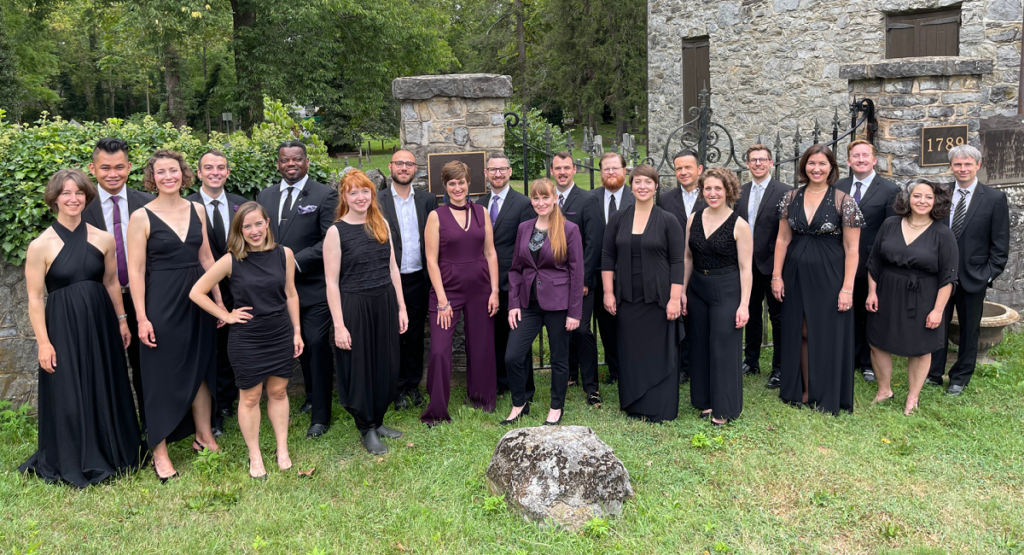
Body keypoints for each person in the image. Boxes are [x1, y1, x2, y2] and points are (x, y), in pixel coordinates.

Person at [19, 169, 144, 487]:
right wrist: (43, 343)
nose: (73, 199)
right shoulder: (40, 245)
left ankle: (114, 450)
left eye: (78, 193)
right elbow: (35, 298)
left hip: (101, 322)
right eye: (66, 193)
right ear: (55, 198)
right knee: (69, 388)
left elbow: (112, 282)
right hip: (62, 325)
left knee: (107, 381)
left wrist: (122, 320)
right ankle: (75, 457)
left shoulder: (103, 239)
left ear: (87, 197)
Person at [126, 150, 223, 481]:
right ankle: (159, 449)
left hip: (198, 300)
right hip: (162, 301)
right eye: (161, 171)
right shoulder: (141, 216)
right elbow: (136, 272)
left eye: (174, 170)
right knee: (160, 373)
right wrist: (141, 317)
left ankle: (203, 435)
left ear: (184, 174)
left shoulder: (197, 209)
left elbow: (208, 258)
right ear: (152, 177)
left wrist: (219, 302)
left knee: (200, 366)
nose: (169, 176)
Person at [189, 202, 302, 478]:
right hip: (248, 338)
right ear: (239, 230)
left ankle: (282, 449)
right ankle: (255, 455)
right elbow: (197, 291)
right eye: (246, 226)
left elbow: (291, 294)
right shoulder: (230, 260)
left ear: (267, 223)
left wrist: (297, 331)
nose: (254, 231)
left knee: (278, 392)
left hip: (279, 332)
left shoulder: (284, 254)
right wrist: (226, 315)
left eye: (258, 224)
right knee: (250, 397)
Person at [771, 145, 863, 415]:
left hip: (830, 276)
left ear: (832, 168)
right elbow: (782, 239)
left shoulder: (843, 200)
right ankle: (801, 389)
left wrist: (847, 289)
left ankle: (825, 390)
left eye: (822, 164)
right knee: (799, 330)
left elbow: (852, 249)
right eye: (811, 163)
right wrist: (776, 276)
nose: (816, 169)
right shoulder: (790, 197)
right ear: (804, 167)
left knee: (824, 332)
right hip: (795, 273)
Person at [256, 141, 338, 439]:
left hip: (311, 287)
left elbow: (329, 239)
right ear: (278, 164)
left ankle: (321, 415)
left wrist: (291, 262)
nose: (291, 164)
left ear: (306, 162)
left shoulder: (324, 195)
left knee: (316, 343)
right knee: (298, 345)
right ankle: (311, 395)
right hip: (275, 290)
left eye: (297, 159)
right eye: (284, 160)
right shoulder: (265, 195)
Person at [325, 170, 409, 452]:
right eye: (353, 192)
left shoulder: (381, 222)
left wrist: (401, 307)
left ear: (372, 194)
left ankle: (379, 418)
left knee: (386, 363)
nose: (360, 197)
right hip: (355, 306)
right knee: (359, 367)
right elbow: (331, 283)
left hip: (384, 301)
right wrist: (339, 325)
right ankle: (366, 427)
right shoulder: (336, 232)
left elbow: (393, 268)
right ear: (344, 197)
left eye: (365, 191)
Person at [865, 179, 958, 415]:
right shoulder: (890, 224)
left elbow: (949, 277)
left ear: (936, 201)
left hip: (923, 296)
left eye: (928, 197)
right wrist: (872, 292)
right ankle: (884, 390)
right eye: (917, 196)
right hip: (886, 291)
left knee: (920, 347)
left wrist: (938, 310)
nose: (922, 201)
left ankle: (913, 398)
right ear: (908, 199)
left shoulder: (943, 233)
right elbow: (874, 262)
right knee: (877, 342)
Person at [602, 164, 685, 423]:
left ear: (656, 186)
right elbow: (607, 257)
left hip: (659, 299)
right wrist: (608, 292)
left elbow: (677, 262)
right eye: (637, 182)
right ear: (631, 185)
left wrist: (674, 299)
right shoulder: (618, 218)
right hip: (627, 298)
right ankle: (634, 402)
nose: (642, 187)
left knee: (658, 351)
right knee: (632, 350)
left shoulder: (668, 220)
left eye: (648, 182)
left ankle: (659, 407)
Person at [421, 161, 500, 426]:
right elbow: (431, 260)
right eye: (452, 183)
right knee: (440, 350)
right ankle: (436, 410)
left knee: (482, 346)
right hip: (447, 290)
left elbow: (490, 252)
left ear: (469, 183)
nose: (458, 187)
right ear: (445, 186)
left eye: (461, 182)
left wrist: (495, 291)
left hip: (480, 287)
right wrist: (442, 301)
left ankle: (482, 399)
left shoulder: (482, 212)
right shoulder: (436, 216)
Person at [927, 145, 1010, 396]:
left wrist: (987, 274)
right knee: (936, 323)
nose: (962, 169)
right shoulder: (940, 194)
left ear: (978, 166)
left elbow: (1000, 244)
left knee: (969, 329)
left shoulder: (994, 199)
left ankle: (960, 377)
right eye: (957, 164)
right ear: (951, 167)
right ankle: (933, 373)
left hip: (973, 277)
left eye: (967, 164)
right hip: (939, 275)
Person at [84, 138, 154, 431]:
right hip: (99, 299)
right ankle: (116, 431)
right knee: (105, 367)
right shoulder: (80, 208)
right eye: (105, 168)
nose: (113, 173)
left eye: (120, 167)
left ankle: (151, 428)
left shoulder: (148, 203)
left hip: (145, 298)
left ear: (129, 167)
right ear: (92, 168)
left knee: (146, 367)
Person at [501, 178, 584, 426]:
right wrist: (514, 303)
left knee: (559, 359)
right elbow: (516, 269)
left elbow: (577, 272)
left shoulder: (569, 230)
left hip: (559, 304)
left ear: (555, 198)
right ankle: (519, 404)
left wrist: (574, 312)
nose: (540, 202)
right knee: (513, 356)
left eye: (545, 197)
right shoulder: (525, 227)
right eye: (535, 198)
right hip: (528, 303)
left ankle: (556, 407)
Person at [682, 168, 752, 426]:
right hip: (698, 288)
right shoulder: (693, 219)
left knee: (723, 347)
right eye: (708, 188)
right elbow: (688, 258)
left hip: (727, 289)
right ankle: (705, 400)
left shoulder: (739, 225)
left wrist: (744, 305)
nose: (712, 193)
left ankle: (725, 407)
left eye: (718, 189)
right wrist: (682, 292)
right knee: (700, 344)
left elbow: (746, 268)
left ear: (728, 191)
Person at [185, 149, 247, 437]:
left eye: (220, 167)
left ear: (228, 172)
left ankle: (232, 402)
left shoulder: (242, 205)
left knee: (234, 350)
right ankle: (213, 413)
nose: (215, 172)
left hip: (240, 291)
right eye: (208, 168)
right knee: (208, 352)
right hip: (203, 291)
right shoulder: (185, 207)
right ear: (198, 173)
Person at [836, 140, 900, 383]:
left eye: (865, 156)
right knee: (845, 310)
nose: (860, 160)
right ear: (849, 161)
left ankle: (867, 362)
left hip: (872, 263)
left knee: (868, 313)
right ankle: (847, 357)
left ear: (874, 160)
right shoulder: (838, 187)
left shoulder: (888, 190)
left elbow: (891, 229)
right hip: (841, 261)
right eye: (856, 156)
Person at [378, 150, 437, 410]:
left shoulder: (427, 200)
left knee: (414, 335)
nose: (404, 168)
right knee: (392, 335)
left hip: (417, 278)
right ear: (390, 167)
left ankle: (413, 385)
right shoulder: (377, 201)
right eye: (399, 163)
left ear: (416, 169)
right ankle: (396, 387)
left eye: (409, 164)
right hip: (388, 280)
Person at [734, 144, 791, 388]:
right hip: (746, 265)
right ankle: (751, 360)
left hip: (774, 264)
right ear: (747, 164)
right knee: (752, 315)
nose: (758, 164)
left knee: (778, 318)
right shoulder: (739, 191)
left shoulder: (786, 191)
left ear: (771, 163)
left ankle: (779, 368)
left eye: (762, 160)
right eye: (753, 160)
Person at [480, 152, 536, 398]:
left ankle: (525, 387)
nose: (498, 174)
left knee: (518, 338)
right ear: (486, 173)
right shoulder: (479, 204)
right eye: (493, 169)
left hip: (514, 283)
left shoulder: (523, 203)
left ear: (510, 171)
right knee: (495, 337)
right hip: (485, 283)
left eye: (502, 169)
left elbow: (527, 247)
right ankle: (500, 383)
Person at [550, 153, 604, 406]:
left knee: (582, 330)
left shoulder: (588, 199)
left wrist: (583, 280)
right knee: (563, 328)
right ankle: (570, 371)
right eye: (558, 168)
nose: (562, 172)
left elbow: (593, 243)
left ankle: (591, 385)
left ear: (574, 170)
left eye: (566, 168)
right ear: (552, 171)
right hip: (554, 280)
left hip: (580, 281)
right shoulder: (547, 200)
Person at [657, 149, 705, 385]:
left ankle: (702, 363)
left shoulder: (712, 194)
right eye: (678, 168)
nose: (683, 172)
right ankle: (683, 365)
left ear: (700, 169)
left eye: (688, 167)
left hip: (707, 266)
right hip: (675, 266)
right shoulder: (665, 199)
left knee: (703, 317)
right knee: (681, 318)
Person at [591, 152, 634, 386]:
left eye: (615, 168)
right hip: (600, 273)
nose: (611, 173)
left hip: (630, 273)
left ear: (624, 171)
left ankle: (632, 367)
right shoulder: (591, 199)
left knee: (629, 324)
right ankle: (614, 370)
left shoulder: (637, 197)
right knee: (606, 325)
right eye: (606, 169)